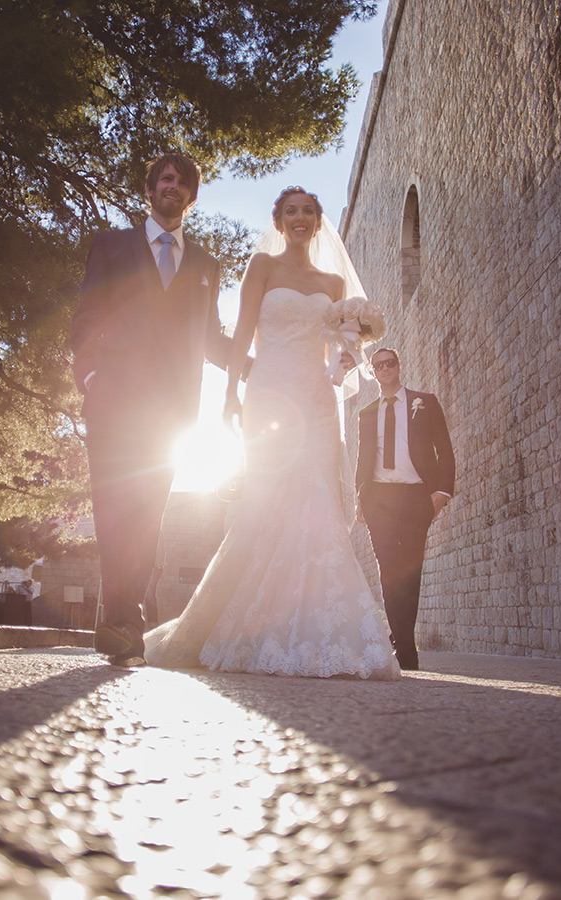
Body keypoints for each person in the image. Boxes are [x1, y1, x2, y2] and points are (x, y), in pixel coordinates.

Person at [144, 187, 400, 680]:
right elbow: (242, 334)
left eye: (308, 211)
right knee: (266, 505)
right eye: (290, 212)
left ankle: (323, 630)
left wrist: (346, 357)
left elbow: (337, 351)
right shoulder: (262, 267)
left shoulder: (333, 279)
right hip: (268, 394)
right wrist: (230, 396)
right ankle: (251, 625)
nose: (299, 218)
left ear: (318, 221)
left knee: (318, 502)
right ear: (278, 221)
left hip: (317, 401)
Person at [70, 154, 236, 666]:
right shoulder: (113, 244)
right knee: (113, 506)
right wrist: (90, 376)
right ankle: (122, 619)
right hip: (114, 398)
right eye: (165, 178)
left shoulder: (206, 265)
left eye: (183, 182)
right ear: (151, 189)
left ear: (191, 197)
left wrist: (265, 362)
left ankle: (120, 621)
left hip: (171, 414)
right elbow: (86, 316)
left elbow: (212, 340)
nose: (173, 186)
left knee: (147, 514)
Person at [355, 347, 455, 671]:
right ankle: (405, 648)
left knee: (410, 573)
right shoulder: (367, 413)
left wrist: (441, 492)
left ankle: (401, 640)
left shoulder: (425, 402)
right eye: (378, 365)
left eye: (390, 363)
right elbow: (363, 459)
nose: (384, 368)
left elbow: (445, 449)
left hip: (415, 496)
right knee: (388, 571)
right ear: (373, 372)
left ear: (399, 366)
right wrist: (360, 498)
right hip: (378, 498)